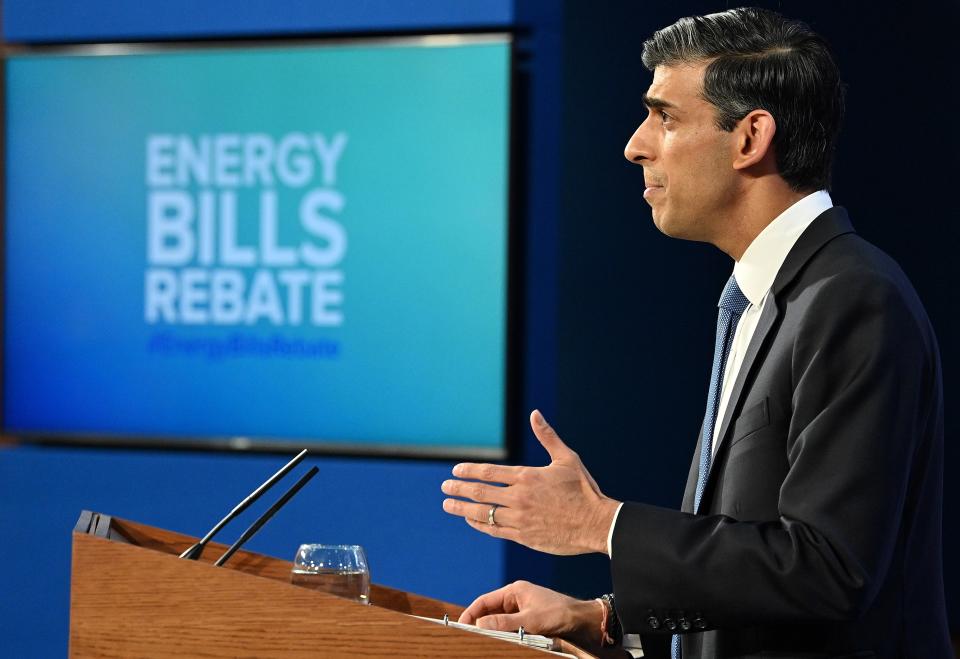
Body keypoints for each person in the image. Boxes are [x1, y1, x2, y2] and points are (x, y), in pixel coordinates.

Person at [440, 7, 950, 658]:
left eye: (666, 116)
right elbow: (751, 554)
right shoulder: (755, 297)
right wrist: (606, 618)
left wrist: (602, 524)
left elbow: (829, 568)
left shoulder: (855, 297)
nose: (635, 144)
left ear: (750, 137)